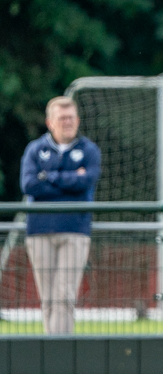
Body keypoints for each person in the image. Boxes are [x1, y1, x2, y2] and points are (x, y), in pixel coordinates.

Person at [20, 96, 101, 334]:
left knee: (64, 295)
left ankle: (61, 353)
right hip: (39, 231)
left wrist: (49, 177)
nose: (68, 122)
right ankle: (51, 352)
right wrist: (69, 179)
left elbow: (86, 182)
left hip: (75, 230)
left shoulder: (89, 150)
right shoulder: (35, 149)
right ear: (50, 122)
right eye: (62, 118)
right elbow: (29, 185)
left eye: (71, 118)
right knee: (47, 297)